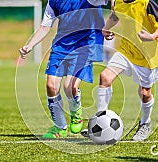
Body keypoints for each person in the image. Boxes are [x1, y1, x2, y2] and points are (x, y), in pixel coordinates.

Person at [19, 0, 107, 139]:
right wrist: (29, 46)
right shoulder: (53, 2)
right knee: (51, 85)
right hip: (61, 46)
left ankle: (76, 115)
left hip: (84, 46)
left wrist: (111, 17)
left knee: (69, 87)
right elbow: (44, 27)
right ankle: (60, 128)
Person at [98, 0, 158, 141]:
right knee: (105, 77)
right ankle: (100, 121)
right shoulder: (118, 2)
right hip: (127, 51)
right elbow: (115, 16)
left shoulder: (146, 3)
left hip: (148, 56)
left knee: (144, 93)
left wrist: (152, 36)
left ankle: (145, 123)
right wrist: (105, 28)